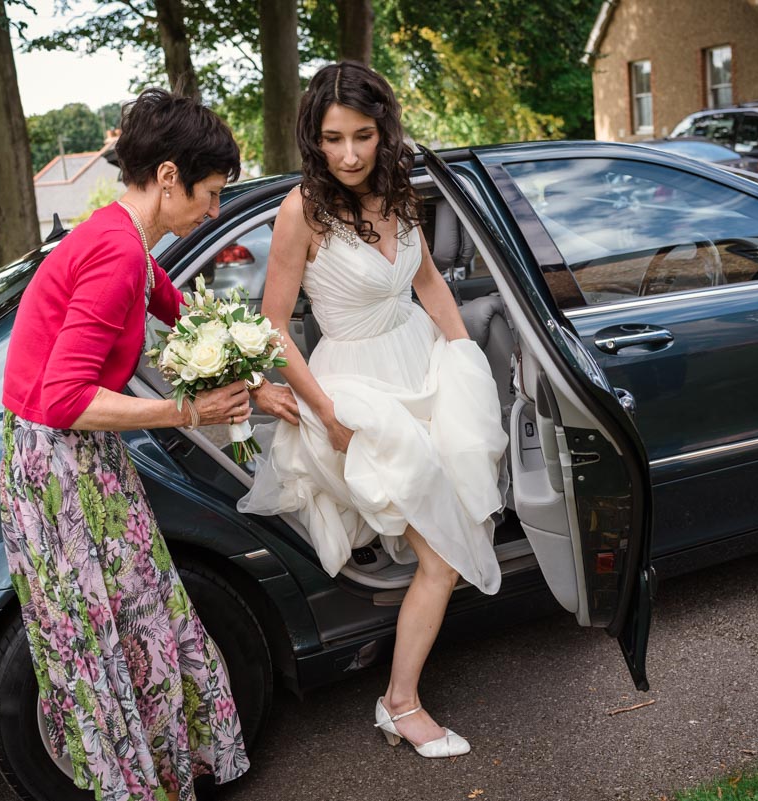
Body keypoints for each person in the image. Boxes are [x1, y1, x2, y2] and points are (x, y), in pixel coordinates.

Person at [0, 89, 294, 801]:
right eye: (213, 193)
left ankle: (151, 779)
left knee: (139, 622)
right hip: (62, 471)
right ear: (168, 176)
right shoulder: (116, 256)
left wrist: (255, 379)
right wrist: (184, 410)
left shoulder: (123, 239)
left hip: (77, 461)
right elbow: (68, 397)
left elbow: (181, 310)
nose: (216, 212)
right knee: (111, 636)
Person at [238, 62, 508, 758]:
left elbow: (426, 282)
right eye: (334, 139)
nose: (351, 154)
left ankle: (400, 698)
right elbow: (271, 326)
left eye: (362, 135)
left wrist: (463, 356)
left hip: (422, 366)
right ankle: (400, 703)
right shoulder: (302, 209)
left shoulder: (399, 192)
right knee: (443, 553)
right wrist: (325, 410)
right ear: (314, 139)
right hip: (355, 391)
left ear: (384, 129)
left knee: (450, 533)